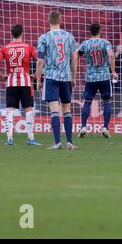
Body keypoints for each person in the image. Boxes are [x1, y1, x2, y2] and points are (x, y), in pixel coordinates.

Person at [0, 24, 41, 146]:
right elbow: (40, 61)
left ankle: (9, 139)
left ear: (11, 34)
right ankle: (31, 139)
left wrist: (1, 76)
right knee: (28, 109)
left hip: (11, 82)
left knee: (9, 110)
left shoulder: (5, 48)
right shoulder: (28, 47)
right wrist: (36, 74)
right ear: (22, 33)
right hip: (25, 81)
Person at [36, 10, 78, 150]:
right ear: (61, 20)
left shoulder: (44, 38)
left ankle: (57, 143)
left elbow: (40, 61)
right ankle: (70, 142)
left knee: (54, 110)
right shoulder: (69, 36)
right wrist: (74, 76)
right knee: (67, 110)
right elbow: (75, 58)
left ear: (48, 21)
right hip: (66, 76)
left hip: (51, 77)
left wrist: (38, 80)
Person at [77, 23, 118, 139]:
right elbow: (110, 56)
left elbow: (78, 55)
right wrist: (113, 71)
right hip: (104, 76)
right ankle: (105, 127)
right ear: (100, 31)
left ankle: (83, 127)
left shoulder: (85, 44)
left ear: (90, 32)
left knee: (87, 101)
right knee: (107, 101)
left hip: (90, 77)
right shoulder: (105, 43)